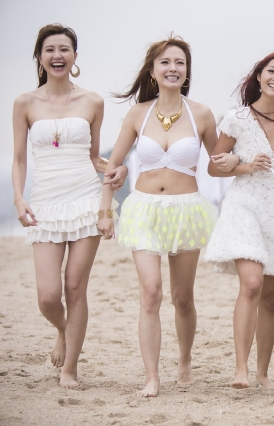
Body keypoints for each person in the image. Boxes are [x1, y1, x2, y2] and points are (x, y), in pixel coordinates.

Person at [98, 35, 232, 397]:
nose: (173, 68)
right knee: (151, 293)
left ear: (187, 71)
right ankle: (152, 377)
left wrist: (239, 162)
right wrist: (105, 211)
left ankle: (185, 361)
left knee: (182, 297)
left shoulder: (201, 113)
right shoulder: (138, 114)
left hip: (186, 210)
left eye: (180, 63)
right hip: (143, 209)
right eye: (166, 62)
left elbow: (217, 164)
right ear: (153, 71)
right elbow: (113, 166)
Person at [12, 24, 127, 388]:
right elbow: (19, 159)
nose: (57, 55)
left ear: (75, 56)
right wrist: (19, 197)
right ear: (40, 57)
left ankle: (70, 369)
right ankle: (63, 330)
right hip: (45, 203)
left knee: (75, 286)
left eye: (64, 49)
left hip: (85, 200)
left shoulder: (92, 101)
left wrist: (116, 168)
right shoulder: (24, 103)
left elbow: (94, 157)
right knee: (48, 297)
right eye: (50, 49)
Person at [204, 52, 274, 389]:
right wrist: (245, 166)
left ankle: (263, 373)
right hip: (244, 205)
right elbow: (213, 168)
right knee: (252, 284)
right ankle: (241, 370)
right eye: (271, 71)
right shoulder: (237, 118)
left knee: (270, 296)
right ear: (259, 76)